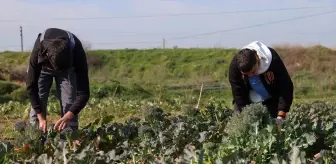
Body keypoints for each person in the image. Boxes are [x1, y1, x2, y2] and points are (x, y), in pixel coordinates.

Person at [26, 28, 90, 133]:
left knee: (69, 102)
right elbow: (31, 86)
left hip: (68, 70)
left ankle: (69, 139)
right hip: (43, 67)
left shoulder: (77, 51)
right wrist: (40, 117)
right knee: (40, 98)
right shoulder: (38, 49)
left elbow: (84, 93)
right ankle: (36, 139)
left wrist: (69, 115)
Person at [228, 41, 294, 122]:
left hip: (271, 98)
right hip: (246, 99)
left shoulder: (272, 59)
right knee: (242, 123)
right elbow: (238, 93)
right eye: (246, 74)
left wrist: (282, 113)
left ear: (257, 58)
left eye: (253, 72)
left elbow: (285, 86)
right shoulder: (235, 66)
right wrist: (246, 115)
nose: (250, 76)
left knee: (273, 126)